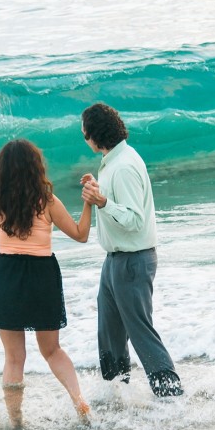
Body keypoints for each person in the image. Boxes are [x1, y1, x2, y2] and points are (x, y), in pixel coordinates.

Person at [0, 138, 92, 427]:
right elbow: (81, 234)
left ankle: (16, 421)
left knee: (14, 358)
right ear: (35, 167)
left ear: (1, 169)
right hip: (42, 275)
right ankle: (81, 404)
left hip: (7, 276)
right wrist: (88, 204)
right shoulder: (48, 200)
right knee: (52, 350)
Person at [80, 102, 183, 398]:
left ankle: (171, 394)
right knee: (109, 331)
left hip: (132, 260)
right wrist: (99, 190)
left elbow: (134, 220)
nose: (83, 137)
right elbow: (121, 205)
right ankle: (115, 394)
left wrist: (101, 202)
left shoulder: (123, 166)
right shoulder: (114, 161)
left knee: (139, 330)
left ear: (94, 135)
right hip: (115, 259)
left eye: (84, 133)